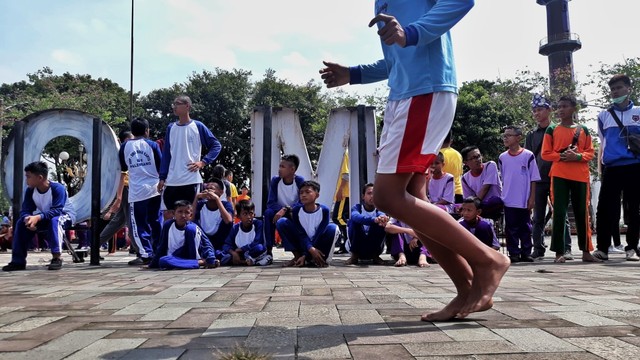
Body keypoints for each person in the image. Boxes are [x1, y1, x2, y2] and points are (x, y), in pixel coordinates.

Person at [320, 0, 509, 321]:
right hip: (402, 97)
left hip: (424, 93)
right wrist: (353, 74)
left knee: (386, 196)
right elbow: (397, 59)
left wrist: (412, 32)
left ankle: (488, 260)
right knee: (415, 200)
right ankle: (466, 288)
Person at [541, 95, 600, 263]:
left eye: (565, 106)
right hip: (559, 174)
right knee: (559, 212)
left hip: (580, 175)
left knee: (582, 212)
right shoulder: (551, 129)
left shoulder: (584, 130)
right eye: (559, 107)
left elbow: (590, 152)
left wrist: (578, 156)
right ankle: (559, 252)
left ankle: (586, 251)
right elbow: (546, 153)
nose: (561, 110)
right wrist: (562, 156)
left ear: (574, 108)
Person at [593, 74, 640, 262]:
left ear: (628, 88)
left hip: (634, 165)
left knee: (634, 208)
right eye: (612, 89)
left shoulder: (638, 112)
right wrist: (600, 168)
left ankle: (631, 247)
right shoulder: (603, 116)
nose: (615, 92)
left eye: (619, 88)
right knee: (605, 209)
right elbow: (602, 143)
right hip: (611, 167)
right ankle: (602, 248)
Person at [3, 161, 77, 271]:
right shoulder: (30, 191)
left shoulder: (58, 188)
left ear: (40, 178)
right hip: (45, 217)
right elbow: (25, 210)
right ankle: (18, 261)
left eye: (28, 177)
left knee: (55, 221)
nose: (26, 180)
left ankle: (56, 257)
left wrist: (37, 218)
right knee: (20, 223)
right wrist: (28, 220)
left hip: (64, 216)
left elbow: (57, 211)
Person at [525, 94, 573, 260]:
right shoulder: (531, 135)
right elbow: (528, 159)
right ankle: (538, 248)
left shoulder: (559, 131)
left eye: (540, 110)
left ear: (549, 110)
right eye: (534, 111)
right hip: (538, 180)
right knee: (537, 216)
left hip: (557, 178)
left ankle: (565, 248)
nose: (537, 113)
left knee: (561, 214)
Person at [157, 95, 222, 217]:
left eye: (177, 104)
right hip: (172, 180)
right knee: (168, 215)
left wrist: (203, 162)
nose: (174, 107)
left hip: (190, 179)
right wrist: (162, 177)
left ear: (187, 106)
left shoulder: (198, 126)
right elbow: (166, 155)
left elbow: (216, 145)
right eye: (173, 104)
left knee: (188, 215)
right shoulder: (171, 127)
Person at [117, 117, 163, 266]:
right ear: (147, 131)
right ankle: (159, 251)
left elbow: (123, 166)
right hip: (155, 188)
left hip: (137, 191)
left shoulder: (125, 146)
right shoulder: (153, 145)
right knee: (156, 221)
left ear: (132, 132)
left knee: (139, 224)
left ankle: (146, 253)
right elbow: (160, 165)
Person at [498, 126, 540, 263]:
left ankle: (526, 252)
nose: (506, 138)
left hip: (523, 199)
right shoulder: (502, 157)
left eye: (509, 135)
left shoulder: (528, 156)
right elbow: (503, 177)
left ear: (518, 137)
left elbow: (534, 178)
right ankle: (514, 252)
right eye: (504, 136)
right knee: (510, 228)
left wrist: (532, 198)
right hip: (508, 199)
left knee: (525, 227)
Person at [276, 180, 338, 267]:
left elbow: (320, 234)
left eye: (308, 192)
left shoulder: (324, 211)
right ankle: (297, 257)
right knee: (282, 222)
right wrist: (310, 249)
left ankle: (316, 258)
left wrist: (307, 254)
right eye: (301, 193)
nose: (303, 195)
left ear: (317, 195)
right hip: (303, 244)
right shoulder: (296, 211)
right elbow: (301, 234)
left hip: (318, 244)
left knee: (333, 228)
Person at [149, 200, 219, 270]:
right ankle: (199, 263)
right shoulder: (168, 225)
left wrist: (211, 258)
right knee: (163, 260)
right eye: (180, 212)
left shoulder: (194, 227)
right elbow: (162, 245)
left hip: (191, 256)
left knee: (190, 229)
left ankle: (193, 262)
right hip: (175, 257)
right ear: (173, 213)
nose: (183, 215)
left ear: (191, 215)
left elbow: (206, 243)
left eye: (187, 212)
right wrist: (153, 264)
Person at [101, 130, 135, 255]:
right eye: (129, 140)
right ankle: (140, 251)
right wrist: (119, 197)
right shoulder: (121, 152)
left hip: (128, 187)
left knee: (119, 220)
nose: (132, 142)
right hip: (126, 187)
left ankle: (95, 244)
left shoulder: (126, 152)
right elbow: (122, 175)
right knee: (132, 219)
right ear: (122, 141)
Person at [264, 154, 305, 255]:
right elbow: (270, 203)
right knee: (268, 213)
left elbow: (302, 201)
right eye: (279, 166)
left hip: (294, 212)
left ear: (292, 169)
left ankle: (297, 250)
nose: (279, 169)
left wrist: (287, 209)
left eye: (283, 167)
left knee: (291, 217)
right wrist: (282, 209)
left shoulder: (299, 181)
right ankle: (268, 249)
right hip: (279, 211)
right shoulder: (276, 180)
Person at [345, 183, 388, 265]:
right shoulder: (356, 208)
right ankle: (354, 256)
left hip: (373, 247)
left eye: (374, 194)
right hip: (357, 246)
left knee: (381, 223)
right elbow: (356, 217)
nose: (372, 196)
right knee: (354, 222)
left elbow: (381, 215)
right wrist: (373, 219)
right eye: (369, 193)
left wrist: (382, 219)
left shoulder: (379, 209)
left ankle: (375, 256)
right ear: (363, 196)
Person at [220, 200, 271, 266]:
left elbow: (257, 241)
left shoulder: (258, 224)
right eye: (245, 214)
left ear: (254, 215)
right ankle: (244, 261)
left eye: (251, 213)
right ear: (238, 216)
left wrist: (242, 249)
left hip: (251, 252)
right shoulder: (235, 228)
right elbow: (226, 244)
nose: (249, 217)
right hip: (238, 253)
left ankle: (244, 261)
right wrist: (234, 253)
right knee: (219, 252)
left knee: (260, 248)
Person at [460, 146, 503, 220]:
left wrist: (473, 206)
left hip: (493, 205)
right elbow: (468, 198)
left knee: (494, 201)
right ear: (465, 162)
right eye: (474, 158)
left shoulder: (490, 166)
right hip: (478, 206)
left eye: (479, 156)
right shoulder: (465, 179)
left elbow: (485, 188)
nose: (478, 159)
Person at [193, 177, 234, 251]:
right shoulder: (201, 204)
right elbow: (190, 219)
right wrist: (197, 197)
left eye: (212, 189)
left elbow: (228, 221)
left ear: (221, 192)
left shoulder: (226, 205)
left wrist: (217, 199)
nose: (208, 191)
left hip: (219, 241)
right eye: (207, 188)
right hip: (203, 240)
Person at [332, 150, 350, 254]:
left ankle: (348, 240)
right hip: (344, 193)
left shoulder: (344, 153)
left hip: (344, 193)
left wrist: (340, 190)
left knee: (338, 218)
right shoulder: (341, 154)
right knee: (340, 218)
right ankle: (345, 244)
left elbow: (345, 175)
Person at [440, 131, 464, 203]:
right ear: (451, 141)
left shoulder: (438, 155)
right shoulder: (458, 154)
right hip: (458, 191)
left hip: (443, 193)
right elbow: (460, 173)